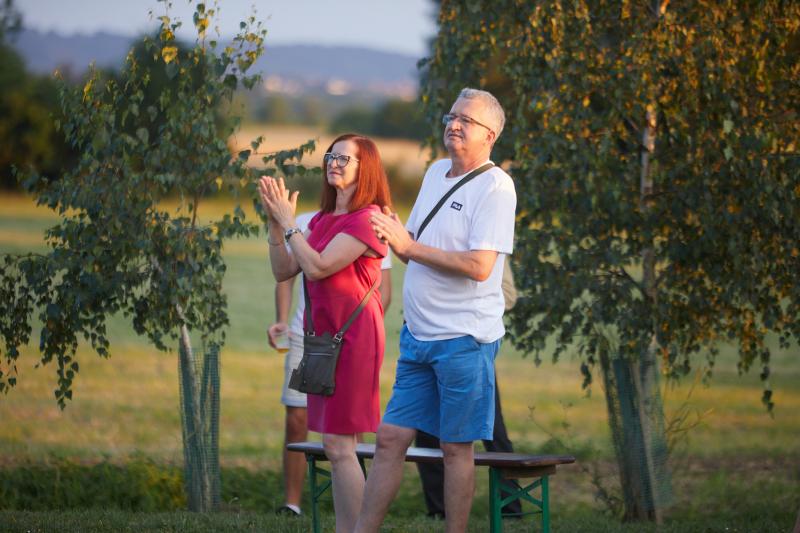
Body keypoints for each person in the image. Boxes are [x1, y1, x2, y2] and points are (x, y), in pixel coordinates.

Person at [355, 88, 516, 533]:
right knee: (390, 438)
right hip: (418, 335)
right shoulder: (434, 172)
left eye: (466, 120)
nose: (454, 125)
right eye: (452, 116)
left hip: (463, 341)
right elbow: (412, 247)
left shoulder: (496, 187)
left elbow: (480, 267)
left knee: (455, 448)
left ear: (490, 135)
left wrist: (408, 246)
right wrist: (391, 232)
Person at [258, 133, 392, 533]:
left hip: (353, 341)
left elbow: (317, 267)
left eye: (344, 158)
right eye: (331, 156)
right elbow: (284, 270)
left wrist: (289, 224)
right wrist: (275, 226)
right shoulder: (320, 220)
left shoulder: (367, 219)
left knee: (339, 445)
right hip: (321, 342)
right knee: (336, 447)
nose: (333, 162)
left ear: (365, 169)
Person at [414, 260, 522, 519]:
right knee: (426, 431)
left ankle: (510, 509)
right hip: (428, 342)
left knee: (493, 431)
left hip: (469, 344)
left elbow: (508, 294)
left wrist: (461, 304)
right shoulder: (425, 243)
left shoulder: (484, 244)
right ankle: (438, 509)